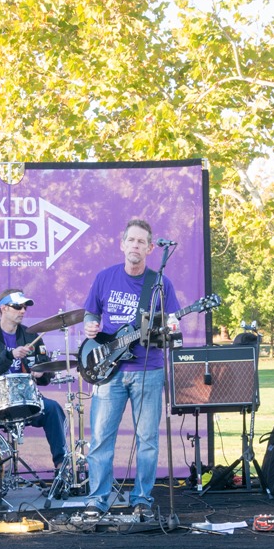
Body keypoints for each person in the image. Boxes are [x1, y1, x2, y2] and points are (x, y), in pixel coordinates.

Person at [82, 219, 180, 517]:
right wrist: (90, 324)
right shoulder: (104, 277)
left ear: (151, 248)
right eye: (131, 240)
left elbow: (173, 320)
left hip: (148, 369)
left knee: (147, 439)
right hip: (110, 369)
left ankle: (141, 499)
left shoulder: (160, 283)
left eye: (141, 242)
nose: (135, 246)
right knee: (100, 438)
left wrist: (173, 324)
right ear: (122, 244)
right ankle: (97, 499)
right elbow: (90, 311)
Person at [0, 289, 67, 471]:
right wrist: (9, 355)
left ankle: (62, 467)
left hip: (26, 398)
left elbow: (46, 370)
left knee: (53, 408)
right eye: (17, 306)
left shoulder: (32, 335)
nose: (22, 311)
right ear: (3, 308)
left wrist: (41, 373)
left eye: (24, 307)